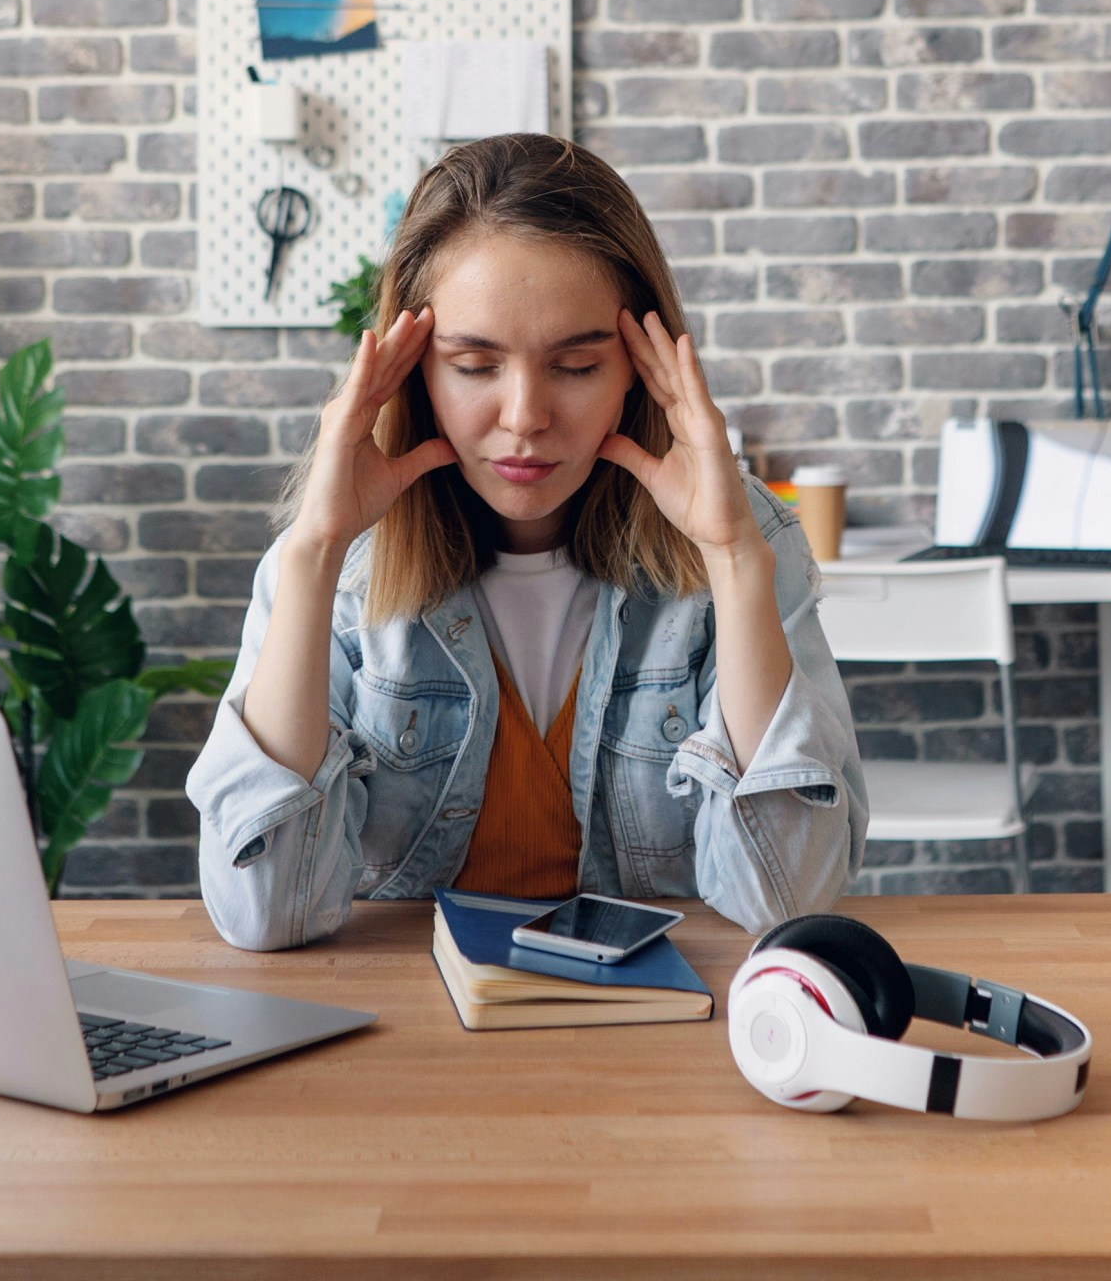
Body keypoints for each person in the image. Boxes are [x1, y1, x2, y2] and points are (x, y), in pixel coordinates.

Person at [186, 133, 867, 951]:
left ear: (641, 370)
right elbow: (267, 913)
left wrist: (732, 556)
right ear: (413, 373)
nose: (524, 418)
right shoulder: (338, 564)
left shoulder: (744, 542)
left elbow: (788, 899)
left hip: (663, 1045)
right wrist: (314, 550)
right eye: (474, 365)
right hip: (411, 1040)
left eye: (577, 367)